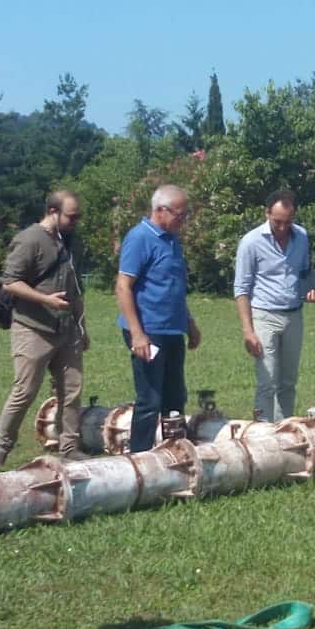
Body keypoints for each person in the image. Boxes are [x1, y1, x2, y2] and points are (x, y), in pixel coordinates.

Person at [0, 189, 88, 467]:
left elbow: (76, 289)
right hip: (33, 327)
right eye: (71, 216)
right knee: (25, 391)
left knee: (71, 389)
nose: (76, 221)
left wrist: (82, 327)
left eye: (78, 216)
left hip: (66, 330)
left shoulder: (71, 242)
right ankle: (1, 449)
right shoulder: (30, 239)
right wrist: (46, 300)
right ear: (53, 211)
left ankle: (69, 446)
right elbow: (10, 282)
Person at [115, 185, 201, 452]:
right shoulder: (140, 238)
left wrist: (189, 323)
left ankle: (174, 450)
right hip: (148, 329)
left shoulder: (171, 239)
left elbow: (173, 286)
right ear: (160, 210)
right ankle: (139, 457)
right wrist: (137, 333)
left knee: (176, 395)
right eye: (180, 215)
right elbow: (123, 286)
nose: (183, 221)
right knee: (150, 398)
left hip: (172, 328)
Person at [234, 190, 315, 421]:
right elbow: (241, 288)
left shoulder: (301, 236)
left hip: (294, 315)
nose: (283, 227)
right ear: (267, 214)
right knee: (267, 381)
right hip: (264, 314)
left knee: (288, 381)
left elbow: (303, 274)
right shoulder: (251, 242)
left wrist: (312, 292)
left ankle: (285, 431)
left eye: (288, 221)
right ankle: (262, 433)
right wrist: (248, 331)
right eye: (277, 221)